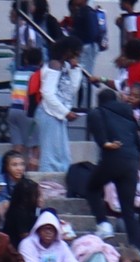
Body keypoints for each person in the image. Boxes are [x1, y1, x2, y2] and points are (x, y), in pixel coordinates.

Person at [85, 88, 140, 247]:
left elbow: (100, 135)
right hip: (132, 162)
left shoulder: (98, 112)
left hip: (113, 159)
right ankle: (138, 250)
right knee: (128, 210)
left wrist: (105, 143)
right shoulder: (129, 115)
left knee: (92, 188)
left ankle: (103, 224)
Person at [36, 38, 83, 174]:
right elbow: (47, 93)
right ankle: (46, 187)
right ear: (68, 51)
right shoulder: (54, 65)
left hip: (59, 114)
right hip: (48, 113)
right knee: (50, 155)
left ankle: (59, 186)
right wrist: (65, 112)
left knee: (62, 154)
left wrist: (76, 69)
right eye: (76, 54)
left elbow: (72, 90)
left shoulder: (65, 67)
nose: (77, 57)